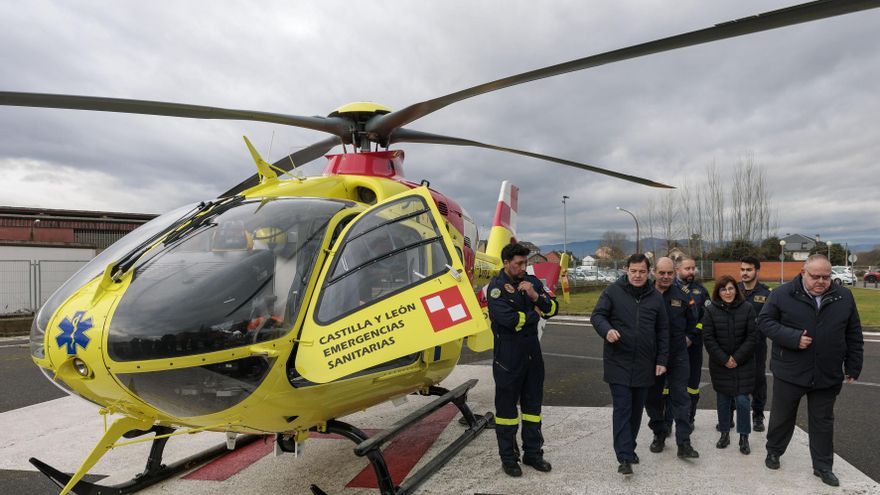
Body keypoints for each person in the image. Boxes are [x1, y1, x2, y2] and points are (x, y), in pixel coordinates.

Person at [759, 254, 864, 487]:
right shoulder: (782, 294)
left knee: (823, 421)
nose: (821, 281)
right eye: (815, 276)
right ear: (803, 273)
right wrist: (793, 338)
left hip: (827, 373)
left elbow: (853, 334)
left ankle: (823, 466)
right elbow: (764, 321)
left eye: (826, 276)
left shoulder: (843, 296)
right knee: (782, 416)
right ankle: (774, 451)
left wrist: (854, 365)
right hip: (790, 370)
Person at [591, 253, 669, 475]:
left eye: (642, 272)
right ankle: (624, 456)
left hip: (645, 364)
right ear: (626, 270)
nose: (637, 275)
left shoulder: (655, 298)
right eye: (633, 271)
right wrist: (607, 331)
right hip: (619, 362)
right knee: (623, 409)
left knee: (636, 412)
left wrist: (662, 360)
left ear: (648, 272)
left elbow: (663, 331)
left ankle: (629, 447)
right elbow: (597, 316)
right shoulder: (613, 292)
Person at [487, 243, 559, 477]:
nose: (522, 267)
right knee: (507, 412)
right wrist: (533, 314)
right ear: (506, 263)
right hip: (508, 357)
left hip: (532, 355)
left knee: (532, 409)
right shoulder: (496, 288)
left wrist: (534, 295)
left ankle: (533, 454)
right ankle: (509, 458)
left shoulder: (533, 282)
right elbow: (508, 320)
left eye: (525, 263)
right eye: (518, 263)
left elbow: (552, 309)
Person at [645, 257, 699, 459]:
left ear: (674, 273)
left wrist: (690, 337)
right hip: (651, 357)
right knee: (653, 399)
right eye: (662, 273)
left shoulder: (684, 295)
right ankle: (659, 433)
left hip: (677, 356)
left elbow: (695, 322)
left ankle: (684, 443)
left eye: (670, 273)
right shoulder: (645, 294)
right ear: (654, 273)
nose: (666, 277)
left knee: (681, 399)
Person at [702, 275, 757, 455]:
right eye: (723, 289)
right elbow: (708, 338)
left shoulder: (747, 308)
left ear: (736, 289)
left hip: (744, 363)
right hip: (720, 364)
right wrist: (725, 359)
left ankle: (744, 437)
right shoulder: (710, 311)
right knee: (723, 400)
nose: (728, 292)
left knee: (742, 400)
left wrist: (737, 358)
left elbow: (752, 336)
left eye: (731, 288)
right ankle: (724, 433)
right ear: (718, 292)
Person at [674, 256, 708, 427]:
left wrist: (692, 336)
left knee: (693, 384)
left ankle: (690, 418)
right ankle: (668, 419)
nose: (691, 271)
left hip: (693, 345)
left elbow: (706, 317)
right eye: (687, 268)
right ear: (677, 269)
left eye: (693, 268)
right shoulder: (668, 289)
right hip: (673, 345)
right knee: (668, 385)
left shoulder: (701, 291)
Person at [739, 256, 772, 432]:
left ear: (757, 271)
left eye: (748, 270)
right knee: (733, 378)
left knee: (758, 380)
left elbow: (771, 320)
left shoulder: (767, 294)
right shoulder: (733, 290)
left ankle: (758, 415)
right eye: (742, 269)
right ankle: (729, 413)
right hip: (735, 344)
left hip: (757, 345)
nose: (744, 273)